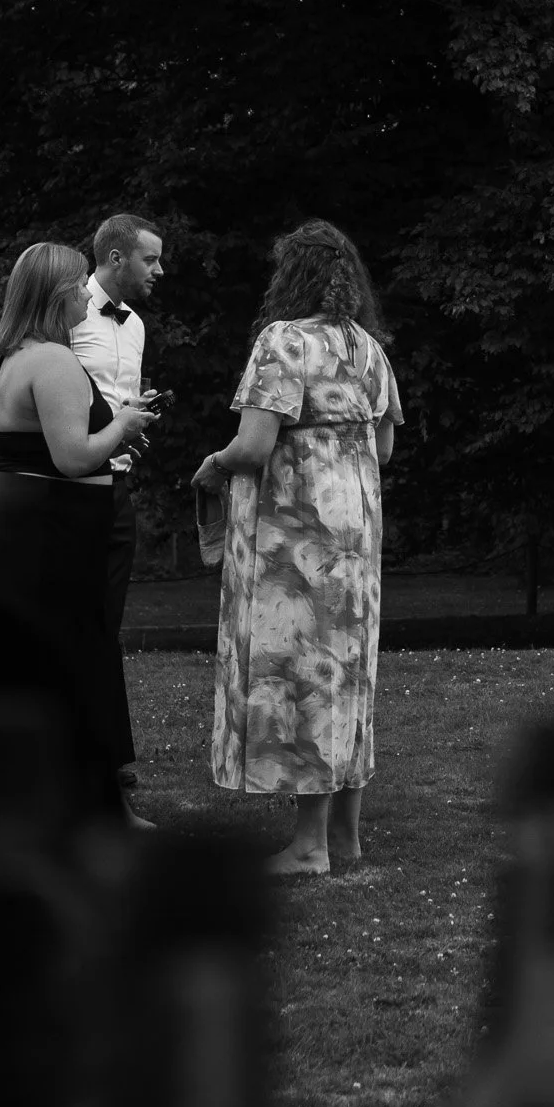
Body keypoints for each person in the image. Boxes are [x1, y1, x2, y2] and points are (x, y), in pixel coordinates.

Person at [192, 220, 403, 877]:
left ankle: (309, 849)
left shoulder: (282, 341)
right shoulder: (370, 349)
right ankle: (346, 841)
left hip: (297, 537)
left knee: (304, 676)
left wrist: (213, 463)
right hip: (356, 537)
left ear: (292, 277)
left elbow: (254, 445)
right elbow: (386, 447)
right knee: (345, 675)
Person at [0, 244, 155, 823]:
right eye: (81, 284)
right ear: (58, 294)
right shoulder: (54, 360)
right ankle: (89, 807)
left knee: (33, 661)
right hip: (47, 533)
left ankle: (57, 800)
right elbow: (74, 456)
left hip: (30, 524)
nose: (88, 292)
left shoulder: (12, 357)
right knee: (69, 658)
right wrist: (124, 425)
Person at [76, 213, 165, 826]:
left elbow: (112, 405)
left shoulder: (134, 326)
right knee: (78, 633)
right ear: (114, 257)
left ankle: (107, 781)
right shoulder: (63, 309)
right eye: (150, 260)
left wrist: (130, 421)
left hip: (116, 491)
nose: (159, 271)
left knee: (104, 630)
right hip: (65, 491)